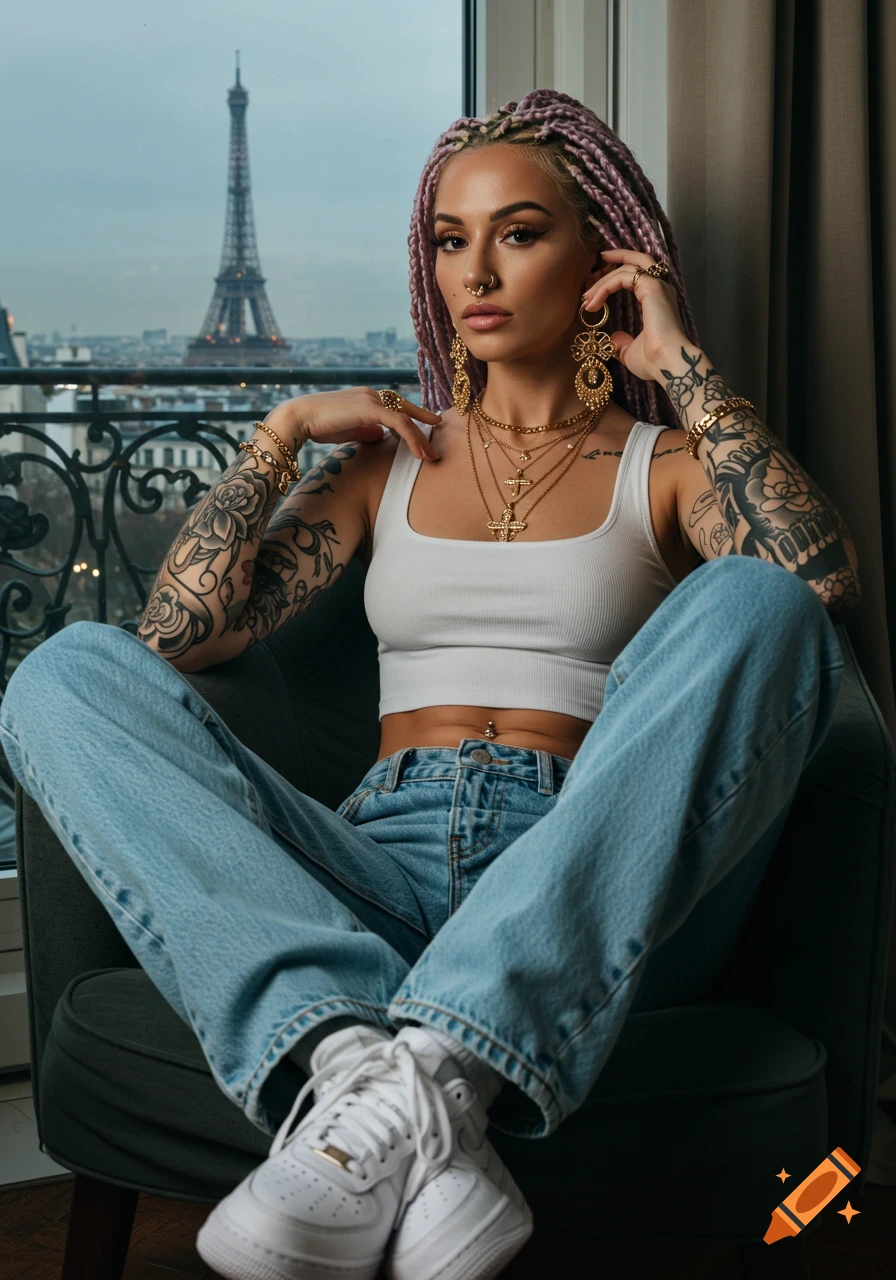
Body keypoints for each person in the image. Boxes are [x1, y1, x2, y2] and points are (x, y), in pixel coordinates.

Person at [0, 89, 853, 1280]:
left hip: (588, 863)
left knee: (757, 597)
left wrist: (679, 363)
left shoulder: (663, 470)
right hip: (373, 864)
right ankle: (388, 1069)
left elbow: (815, 585)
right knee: (66, 673)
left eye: (518, 231)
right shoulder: (381, 465)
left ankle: (408, 1081)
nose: (475, 270)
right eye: (449, 239)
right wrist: (278, 434)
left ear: (602, 253)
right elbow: (175, 634)